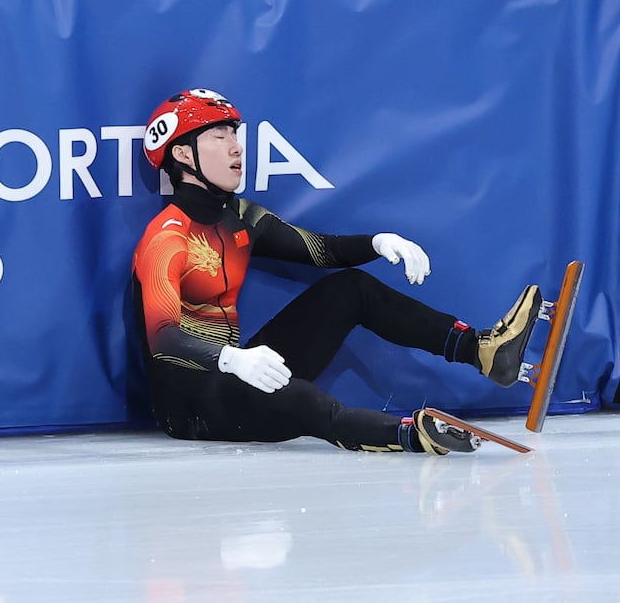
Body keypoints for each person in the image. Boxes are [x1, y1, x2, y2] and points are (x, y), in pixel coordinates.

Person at [131, 89, 542, 455]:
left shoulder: (240, 216)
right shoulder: (166, 237)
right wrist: (231, 359)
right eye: (219, 137)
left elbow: (321, 250)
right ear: (183, 155)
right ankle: (410, 435)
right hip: (191, 406)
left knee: (350, 288)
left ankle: (483, 351)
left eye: (235, 134)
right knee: (303, 400)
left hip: (240, 371)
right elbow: (162, 336)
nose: (236, 147)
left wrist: (377, 242)